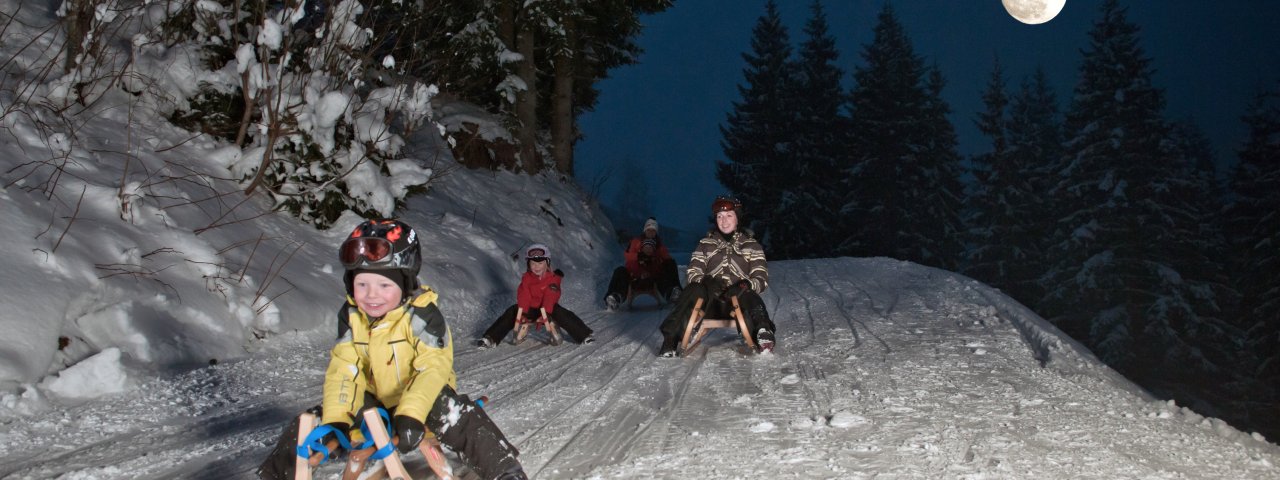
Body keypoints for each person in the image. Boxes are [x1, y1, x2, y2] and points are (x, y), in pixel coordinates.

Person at [257, 219, 526, 480]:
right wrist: (337, 418)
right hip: (374, 401)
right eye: (362, 284)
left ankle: (504, 470)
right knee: (310, 422)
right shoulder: (352, 315)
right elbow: (345, 369)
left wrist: (410, 414)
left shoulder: (422, 315)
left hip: (424, 397)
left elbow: (433, 368)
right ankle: (276, 474)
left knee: (458, 415)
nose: (372, 295)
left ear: (405, 283)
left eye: (384, 285)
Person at [656, 196, 775, 357]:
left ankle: (762, 331)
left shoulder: (751, 245)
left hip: (737, 302)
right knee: (695, 288)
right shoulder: (706, 244)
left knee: (748, 292)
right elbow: (693, 273)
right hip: (708, 302)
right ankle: (671, 338)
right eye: (719, 216)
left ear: (737, 218)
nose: (724, 221)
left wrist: (743, 285)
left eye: (729, 216)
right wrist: (706, 282)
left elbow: (761, 278)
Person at [476, 243, 594, 347]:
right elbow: (524, 295)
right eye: (533, 263)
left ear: (547, 263)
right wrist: (522, 312)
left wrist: (546, 313)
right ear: (528, 264)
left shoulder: (553, 278)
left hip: (549, 309)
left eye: (540, 263)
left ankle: (584, 335)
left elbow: (550, 296)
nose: (536, 267)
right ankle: (491, 338)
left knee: (562, 313)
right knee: (512, 311)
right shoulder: (527, 278)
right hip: (531, 309)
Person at [604, 217, 682, 310]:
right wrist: (639, 257)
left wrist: (657, 259)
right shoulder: (635, 242)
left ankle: (673, 292)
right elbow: (628, 257)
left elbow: (665, 261)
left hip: (653, 278)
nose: (651, 232)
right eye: (649, 230)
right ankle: (615, 297)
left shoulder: (659, 247)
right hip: (635, 278)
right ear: (645, 230)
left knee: (670, 263)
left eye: (653, 230)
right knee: (620, 270)